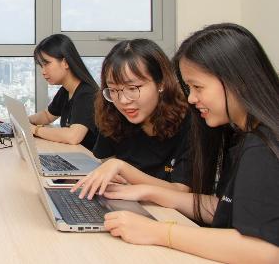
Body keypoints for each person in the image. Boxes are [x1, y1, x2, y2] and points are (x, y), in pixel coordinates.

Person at [100, 23, 279, 263]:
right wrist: (149, 191)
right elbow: (222, 208)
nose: (192, 98)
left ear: (237, 81)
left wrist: (158, 232)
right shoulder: (243, 136)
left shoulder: (261, 146)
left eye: (197, 87)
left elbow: (265, 251)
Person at [72, 39, 191, 199]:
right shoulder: (112, 113)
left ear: (161, 82)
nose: (123, 100)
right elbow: (106, 161)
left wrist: (122, 168)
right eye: (113, 90)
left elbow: (181, 191)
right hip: (129, 204)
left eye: (132, 88)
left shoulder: (191, 122)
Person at [28, 34, 100, 150]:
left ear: (65, 62)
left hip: (91, 161)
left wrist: (35, 130)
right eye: (41, 66)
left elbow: (73, 136)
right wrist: (25, 120)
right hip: (76, 154)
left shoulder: (87, 94)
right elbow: (47, 116)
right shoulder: (66, 90)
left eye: (46, 64)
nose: (43, 71)